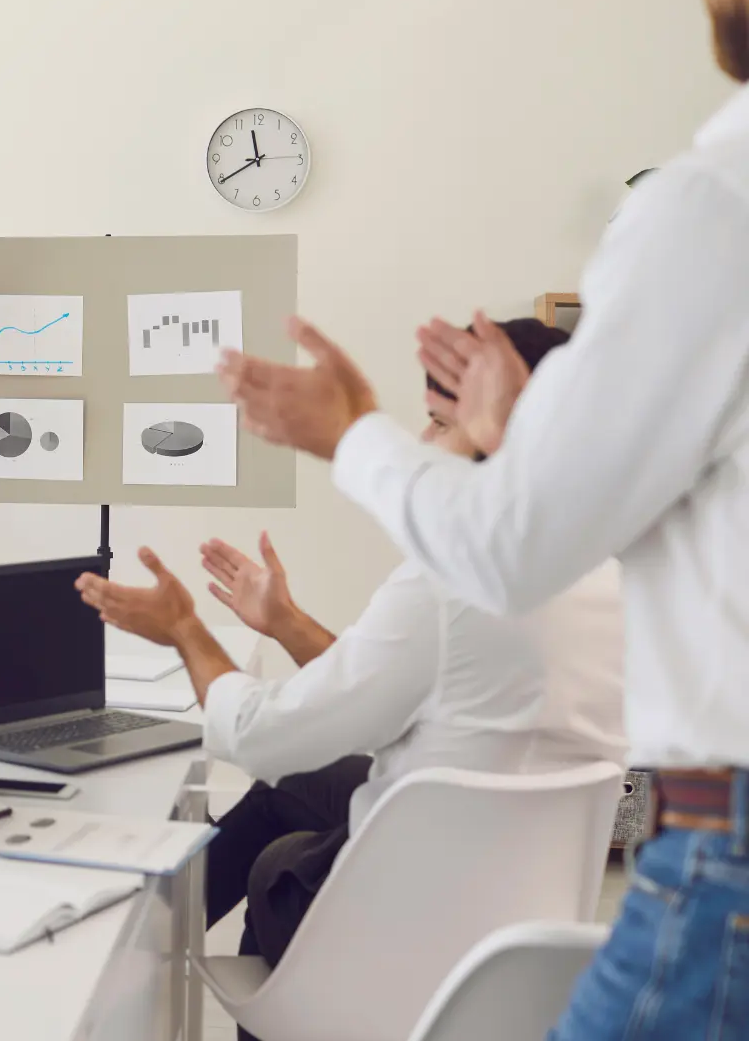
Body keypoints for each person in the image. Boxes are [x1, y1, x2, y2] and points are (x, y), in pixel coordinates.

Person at [213, 0, 749, 1034]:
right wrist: (521, 445)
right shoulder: (595, 580)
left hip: (714, 852)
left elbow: (499, 560)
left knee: (280, 820)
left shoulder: (710, 203)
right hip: (547, 918)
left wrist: (346, 434)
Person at [78, 320, 626, 1009]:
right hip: (517, 901)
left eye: (437, 422)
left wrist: (188, 632)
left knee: (281, 863)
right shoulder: (608, 566)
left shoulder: (451, 581)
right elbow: (408, 698)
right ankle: (150, 926)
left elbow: (259, 735)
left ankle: (163, 956)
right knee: (300, 785)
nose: (421, 443)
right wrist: (285, 622)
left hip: (409, 918)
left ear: (501, 437)